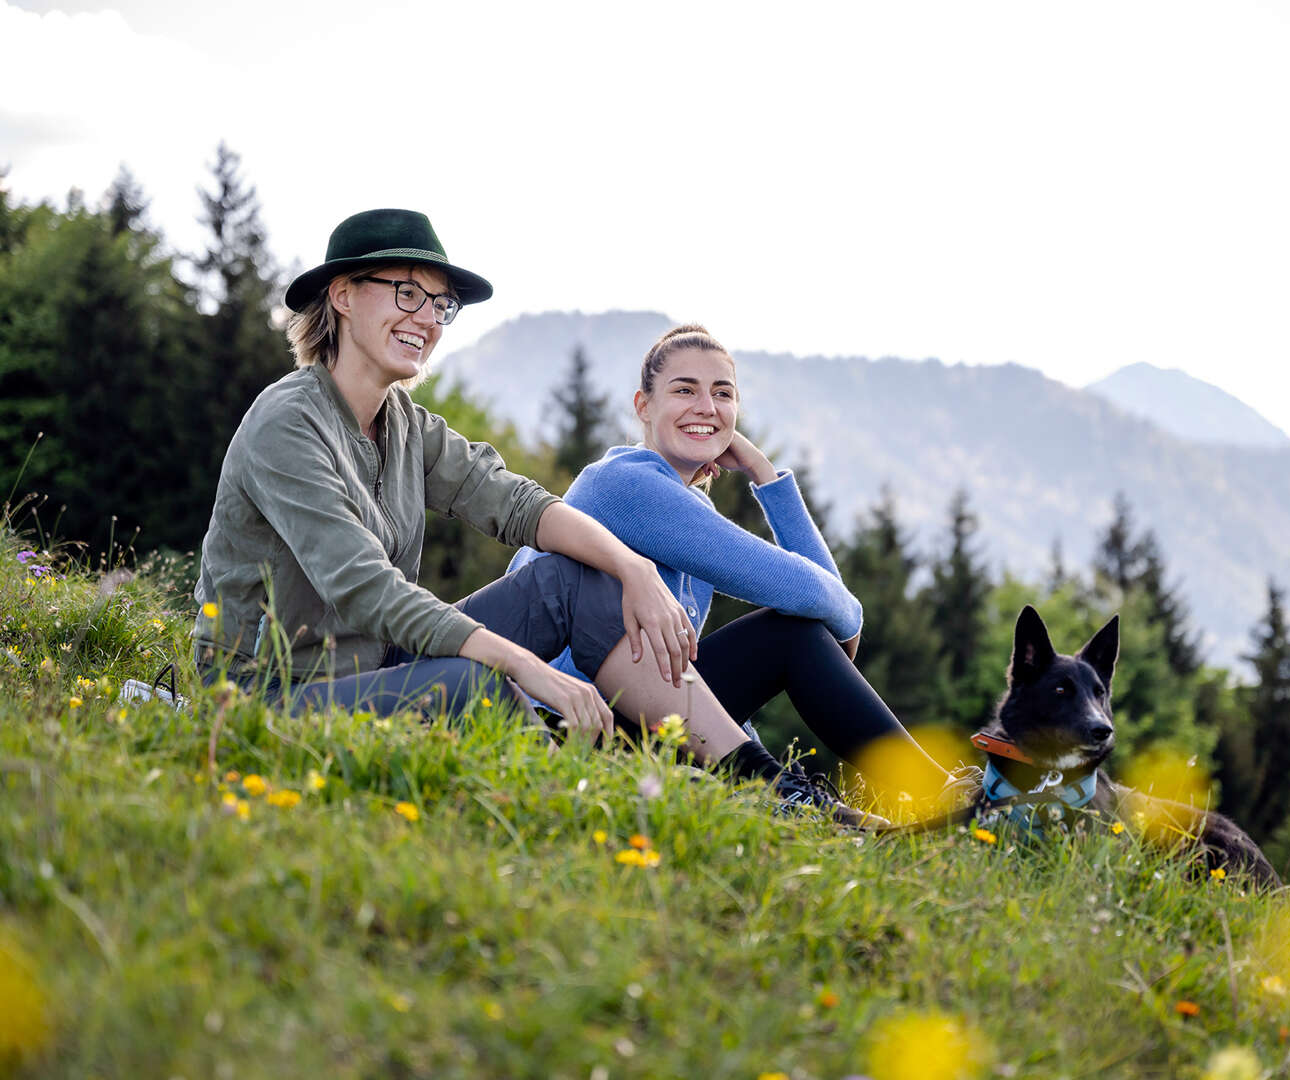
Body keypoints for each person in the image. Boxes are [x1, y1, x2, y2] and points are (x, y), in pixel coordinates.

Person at [192, 211, 871, 822]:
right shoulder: (289, 423)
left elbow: (517, 503)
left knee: (576, 576)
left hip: (375, 666)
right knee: (471, 680)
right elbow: (363, 587)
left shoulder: (404, 425)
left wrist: (630, 567)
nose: (427, 318)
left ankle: (764, 790)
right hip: (273, 694)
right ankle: (597, 796)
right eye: (406, 293)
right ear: (342, 295)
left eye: (441, 304)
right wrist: (530, 668)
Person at [508, 324, 957, 812]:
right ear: (643, 406)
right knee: (789, 637)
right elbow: (814, 597)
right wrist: (843, 617)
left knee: (796, 634)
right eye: (685, 390)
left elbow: (826, 598)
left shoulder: (680, 501)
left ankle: (939, 799)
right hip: (565, 721)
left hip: (635, 715)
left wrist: (765, 475)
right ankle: (945, 797)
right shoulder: (622, 484)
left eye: (723, 394)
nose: (707, 407)